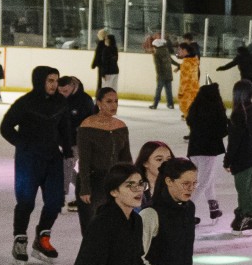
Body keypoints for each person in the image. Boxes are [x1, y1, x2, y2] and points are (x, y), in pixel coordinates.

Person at [0, 66, 68, 265]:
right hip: (28, 160)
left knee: (55, 202)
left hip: (53, 158)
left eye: (56, 80)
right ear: (40, 81)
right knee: (26, 202)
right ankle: (20, 240)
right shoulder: (25, 103)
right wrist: (23, 144)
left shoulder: (60, 102)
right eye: (50, 81)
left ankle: (42, 239)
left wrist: (68, 149)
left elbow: (64, 127)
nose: (54, 85)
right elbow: (6, 127)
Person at [72, 163, 146, 265]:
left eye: (140, 184)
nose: (139, 189)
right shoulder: (102, 224)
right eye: (130, 185)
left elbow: (135, 261)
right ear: (114, 191)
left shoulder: (136, 220)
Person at [75, 88, 131, 229]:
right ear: (99, 103)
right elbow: (85, 161)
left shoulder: (121, 126)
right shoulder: (87, 126)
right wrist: (85, 188)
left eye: (116, 101)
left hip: (115, 183)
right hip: (94, 183)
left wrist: (131, 182)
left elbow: (126, 159)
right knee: (92, 228)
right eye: (109, 101)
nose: (114, 105)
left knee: (115, 228)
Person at [225, 69, 252, 236]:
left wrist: (228, 161)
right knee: (248, 189)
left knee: (243, 190)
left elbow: (234, 141)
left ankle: (246, 216)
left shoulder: (239, 113)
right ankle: (249, 216)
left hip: (244, 159)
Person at [144, 158, 199, 265]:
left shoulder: (189, 208)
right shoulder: (151, 213)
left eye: (194, 183)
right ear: (169, 181)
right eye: (185, 183)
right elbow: (136, 256)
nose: (191, 188)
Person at [185, 83, 228, 224]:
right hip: (208, 151)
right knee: (204, 181)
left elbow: (189, 121)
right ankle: (186, 210)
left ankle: (214, 208)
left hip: (194, 150)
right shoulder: (216, 110)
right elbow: (223, 131)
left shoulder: (196, 108)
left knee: (207, 179)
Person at [57, 77, 98, 213]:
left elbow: (92, 121)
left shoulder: (84, 100)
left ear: (73, 86)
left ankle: (61, 196)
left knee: (66, 164)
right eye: (60, 91)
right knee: (64, 166)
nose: (62, 93)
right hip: (65, 141)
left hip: (79, 141)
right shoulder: (60, 98)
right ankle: (86, 192)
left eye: (65, 90)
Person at [134, 140, 174, 208]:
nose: (165, 164)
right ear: (145, 163)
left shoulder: (176, 185)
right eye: (159, 159)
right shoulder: (135, 187)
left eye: (168, 160)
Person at [174, 33, 201, 116]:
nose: (178, 52)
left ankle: (189, 113)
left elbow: (185, 80)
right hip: (194, 89)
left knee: (188, 107)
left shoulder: (187, 62)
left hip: (188, 91)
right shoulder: (192, 61)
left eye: (180, 50)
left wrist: (181, 92)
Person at [146, 35, 176, 110]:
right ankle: (170, 104)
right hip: (169, 74)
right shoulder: (166, 51)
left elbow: (158, 65)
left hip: (161, 75)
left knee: (158, 90)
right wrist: (179, 65)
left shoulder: (156, 53)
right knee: (169, 90)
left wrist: (159, 75)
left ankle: (155, 104)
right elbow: (171, 61)